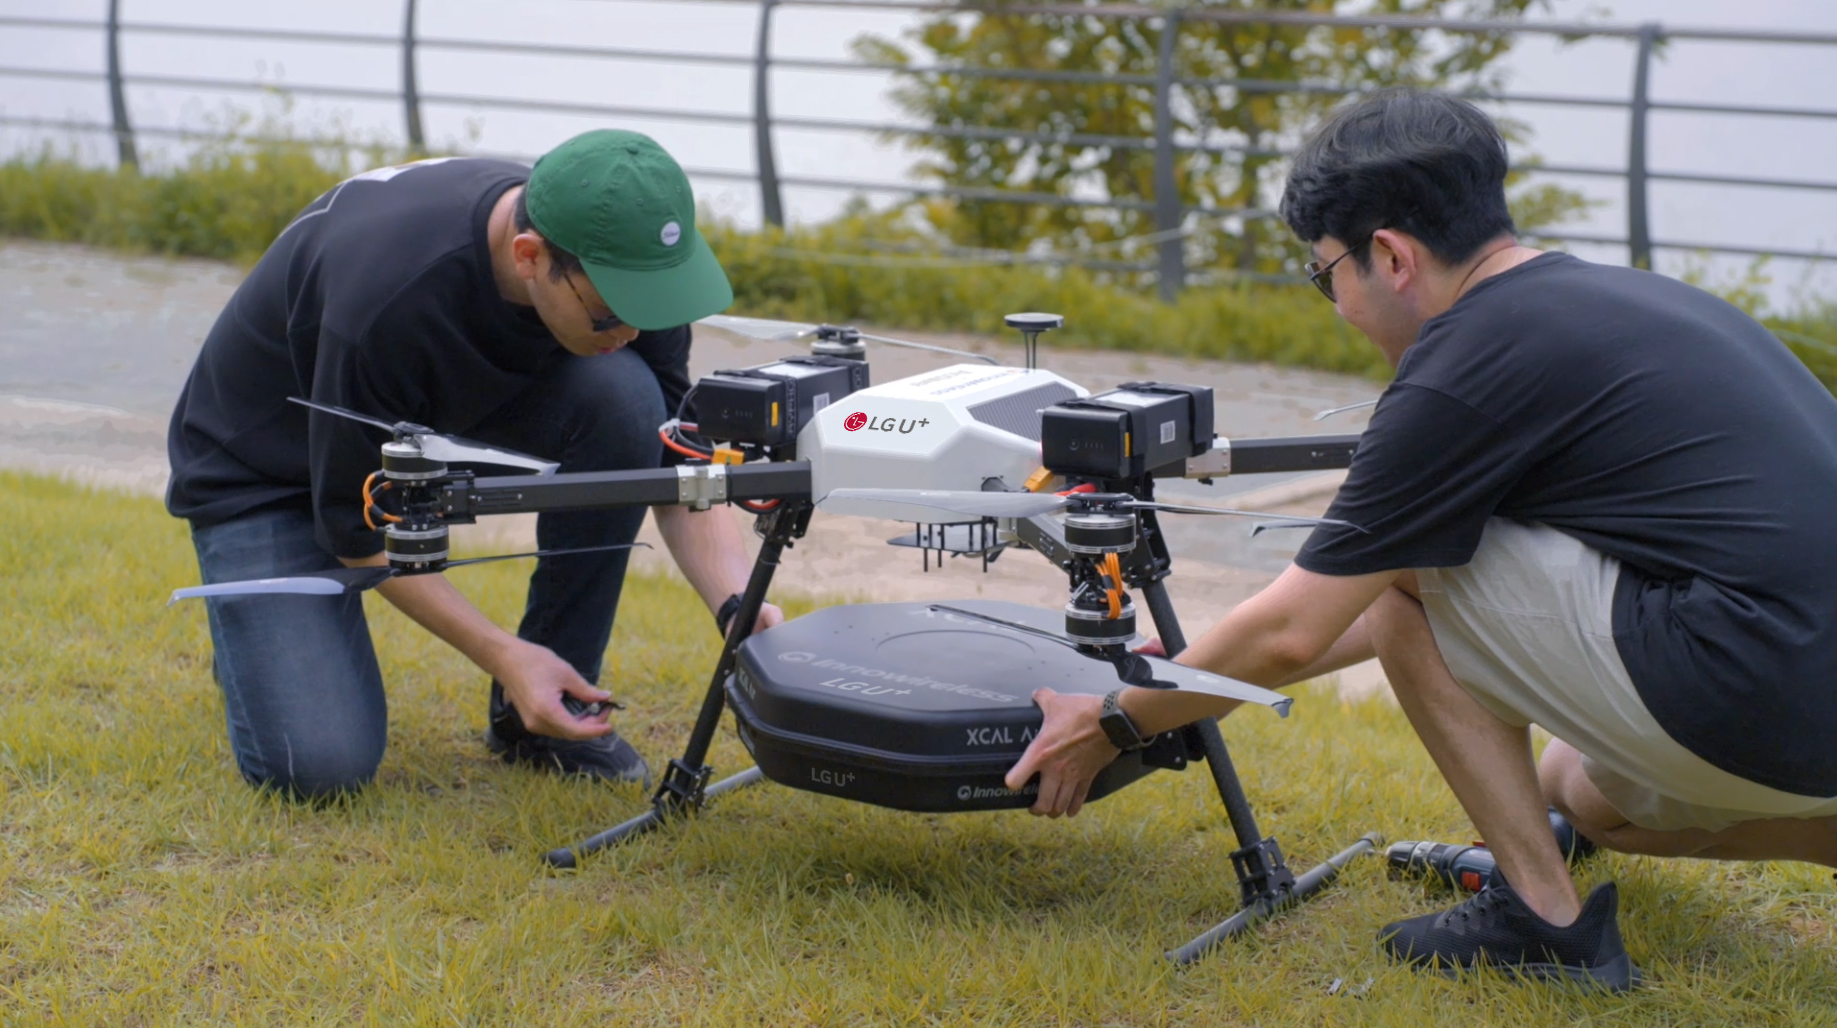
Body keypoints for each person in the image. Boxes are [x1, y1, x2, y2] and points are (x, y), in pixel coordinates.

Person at [1006, 89, 1837, 992]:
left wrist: (1115, 723)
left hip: (1747, 682)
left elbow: (1309, 619)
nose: (1337, 305)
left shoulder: (1464, 363)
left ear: (1391, 256)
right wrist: (1204, 665)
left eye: (1327, 276)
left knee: (1404, 564)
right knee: (1584, 795)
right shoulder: (1618, 302)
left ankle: (1543, 923)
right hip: (1800, 695)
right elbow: (1364, 620)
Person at [166, 129, 782, 800]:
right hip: (268, 474)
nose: (632, 333)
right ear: (529, 256)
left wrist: (734, 603)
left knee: (629, 404)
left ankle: (544, 715)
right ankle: (259, 629)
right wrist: (500, 652)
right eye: (609, 316)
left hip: (435, 423)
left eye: (647, 309)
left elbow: (670, 459)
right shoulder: (385, 299)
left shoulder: (620, 265)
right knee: (319, 768)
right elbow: (358, 530)